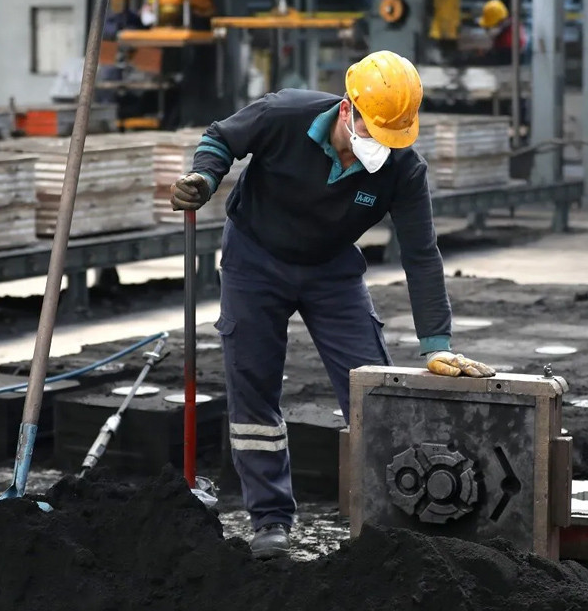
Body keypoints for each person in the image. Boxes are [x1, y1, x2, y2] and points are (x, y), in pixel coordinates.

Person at [170, 50, 496, 560]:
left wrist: (437, 342)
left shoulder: (403, 168)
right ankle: (271, 522)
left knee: (371, 389)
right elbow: (221, 138)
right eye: (375, 134)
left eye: (393, 140)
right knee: (253, 391)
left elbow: (422, 255)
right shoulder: (285, 114)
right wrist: (204, 178)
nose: (381, 150)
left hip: (331, 270)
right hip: (254, 259)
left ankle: (393, 519)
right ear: (348, 110)